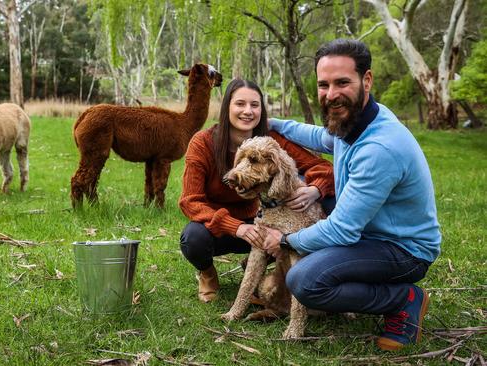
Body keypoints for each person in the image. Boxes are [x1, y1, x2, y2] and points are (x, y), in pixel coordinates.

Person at [263, 39, 441, 351]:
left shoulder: (380, 148)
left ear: (366, 80)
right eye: (323, 84)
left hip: (404, 250)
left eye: (342, 82)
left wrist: (285, 241)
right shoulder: (357, 118)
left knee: (304, 280)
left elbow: (342, 229)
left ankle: (403, 299)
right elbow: (322, 137)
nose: (331, 95)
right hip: (370, 232)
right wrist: (274, 124)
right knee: (313, 216)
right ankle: (361, 279)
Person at [178, 79, 335, 303]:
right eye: (240, 104)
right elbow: (190, 201)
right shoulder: (203, 143)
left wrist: (315, 190)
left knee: (317, 210)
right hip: (222, 227)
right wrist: (237, 227)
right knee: (193, 238)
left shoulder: (270, 142)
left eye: (255, 105)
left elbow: (322, 167)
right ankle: (208, 274)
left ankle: (260, 266)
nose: (248, 111)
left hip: (265, 220)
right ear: (227, 108)